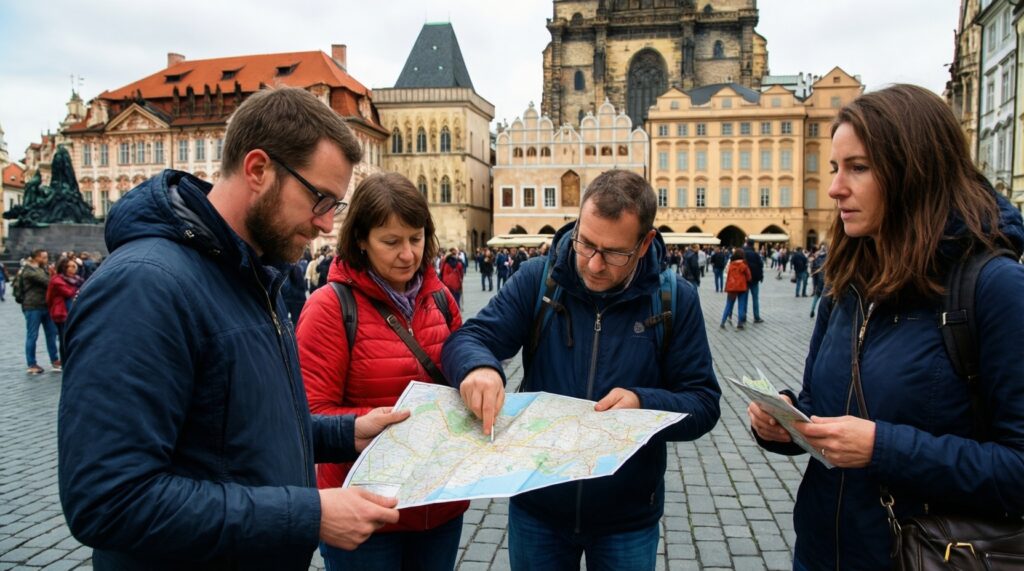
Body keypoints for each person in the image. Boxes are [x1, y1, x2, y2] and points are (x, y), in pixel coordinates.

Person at [57, 86, 411, 569]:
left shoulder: (251, 273)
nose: (327, 225)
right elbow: (110, 500)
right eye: (320, 200)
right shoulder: (143, 287)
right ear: (259, 170)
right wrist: (307, 515)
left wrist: (345, 433)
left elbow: (239, 427)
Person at [747, 84, 1024, 569]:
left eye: (858, 168)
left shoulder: (994, 286)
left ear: (914, 171)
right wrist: (789, 422)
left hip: (925, 555)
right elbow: (823, 406)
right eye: (835, 168)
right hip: (822, 551)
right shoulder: (846, 279)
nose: (834, 187)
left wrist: (883, 447)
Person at [441, 169, 721, 571]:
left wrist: (644, 403)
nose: (592, 263)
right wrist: (479, 369)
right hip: (538, 505)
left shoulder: (675, 299)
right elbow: (468, 340)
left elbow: (704, 402)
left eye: (613, 252)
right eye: (584, 243)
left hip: (626, 518)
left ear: (644, 245)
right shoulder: (538, 279)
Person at [297, 172, 468, 571]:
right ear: (360, 239)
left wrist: (479, 380)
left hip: (437, 506)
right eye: (391, 242)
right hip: (366, 516)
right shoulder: (330, 308)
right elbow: (308, 416)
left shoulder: (440, 298)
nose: (408, 254)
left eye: (416, 238)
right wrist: (377, 425)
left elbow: (463, 364)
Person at [18, 249, 60, 374]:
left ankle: (55, 360)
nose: (46, 260)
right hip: (32, 307)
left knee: (51, 334)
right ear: (35, 258)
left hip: (45, 306)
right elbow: (48, 281)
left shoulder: (42, 269)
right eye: (44, 257)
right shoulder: (28, 271)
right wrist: (53, 274)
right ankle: (31, 363)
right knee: (32, 335)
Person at [46, 256, 83, 366]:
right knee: (64, 339)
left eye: (74, 266)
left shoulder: (76, 279)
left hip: (72, 311)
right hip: (62, 312)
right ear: (63, 268)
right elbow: (68, 292)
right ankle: (65, 362)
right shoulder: (57, 279)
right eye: (69, 267)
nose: (73, 269)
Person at [719, 247, 751, 330]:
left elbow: (728, 275)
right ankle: (740, 323)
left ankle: (723, 322)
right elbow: (749, 277)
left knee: (729, 304)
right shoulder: (744, 265)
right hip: (742, 287)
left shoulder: (731, 265)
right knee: (741, 305)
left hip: (732, 287)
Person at [742, 239, 764, 323]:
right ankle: (756, 317)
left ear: (746, 244)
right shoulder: (756, 254)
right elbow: (760, 265)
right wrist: (761, 276)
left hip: (745, 279)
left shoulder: (743, 253)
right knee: (755, 299)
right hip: (755, 279)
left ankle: (743, 316)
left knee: (744, 298)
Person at [809, 245, 827, 318]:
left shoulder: (816, 260)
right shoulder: (828, 260)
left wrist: (815, 286)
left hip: (819, 283)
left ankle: (812, 309)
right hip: (826, 283)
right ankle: (822, 314)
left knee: (816, 298)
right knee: (825, 300)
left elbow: (814, 274)